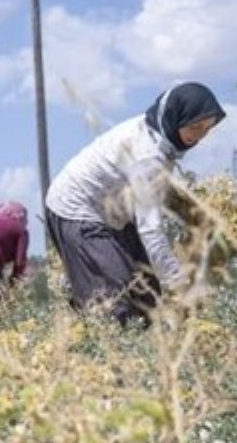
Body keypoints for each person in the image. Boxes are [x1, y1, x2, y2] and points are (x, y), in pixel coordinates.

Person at [45, 82, 226, 326]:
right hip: (78, 210)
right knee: (114, 303)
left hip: (115, 211)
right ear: (175, 117)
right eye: (195, 127)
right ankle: (92, 351)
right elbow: (150, 230)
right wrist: (180, 283)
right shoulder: (149, 155)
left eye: (207, 128)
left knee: (146, 295)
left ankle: (147, 355)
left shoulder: (157, 131)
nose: (200, 136)